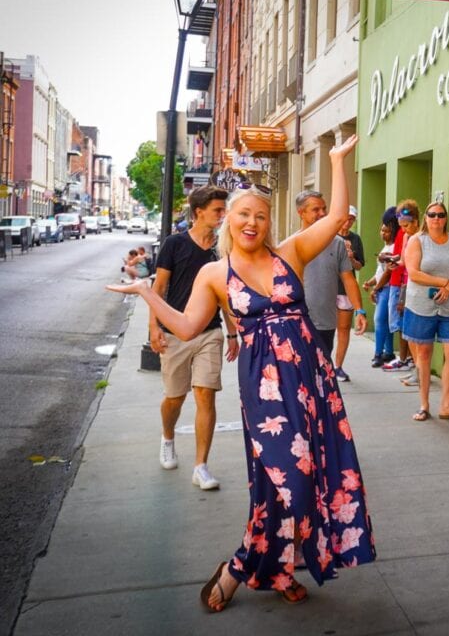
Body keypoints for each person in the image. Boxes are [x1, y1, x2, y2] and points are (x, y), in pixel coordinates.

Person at [109, 134, 375, 612]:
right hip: (265, 387)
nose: (252, 222)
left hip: (312, 381)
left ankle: (277, 569)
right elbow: (189, 326)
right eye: (243, 214)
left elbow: (336, 218)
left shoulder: (288, 254)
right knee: (285, 478)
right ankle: (240, 565)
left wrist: (338, 161)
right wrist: (149, 295)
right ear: (228, 219)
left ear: (269, 222)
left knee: (308, 478)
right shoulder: (216, 273)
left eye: (261, 215)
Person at [149, 185, 238, 491]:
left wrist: (232, 331)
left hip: (210, 332)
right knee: (175, 397)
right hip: (175, 332)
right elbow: (158, 290)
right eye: (217, 210)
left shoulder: (223, 248)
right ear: (199, 212)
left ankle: (201, 466)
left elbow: (226, 293)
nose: (223, 215)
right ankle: (168, 437)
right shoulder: (174, 244)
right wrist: (154, 328)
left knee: (205, 393)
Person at [402, 201, 449, 421]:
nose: (436, 219)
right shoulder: (417, 241)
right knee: (423, 354)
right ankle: (424, 404)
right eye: (432, 215)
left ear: (446, 218)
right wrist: (446, 282)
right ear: (425, 217)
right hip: (421, 305)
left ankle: (447, 405)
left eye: (441, 215)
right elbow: (413, 273)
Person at [293, 189, 367, 379]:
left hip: (325, 322)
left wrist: (359, 310)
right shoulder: (290, 244)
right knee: (300, 376)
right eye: (316, 209)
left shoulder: (338, 244)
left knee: (322, 374)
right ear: (301, 213)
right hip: (296, 321)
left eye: (324, 208)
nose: (322, 213)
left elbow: (348, 279)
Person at [381, 201, 419, 374]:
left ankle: (413, 363)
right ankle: (410, 363)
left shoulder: (421, 236)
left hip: (416, 285)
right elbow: (404, 260)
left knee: (413, 328)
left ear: (416, 221)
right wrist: (392, 260)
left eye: (406, 225)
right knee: (402, 325)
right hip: (405, 283)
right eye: (401, 226)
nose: (404, 229)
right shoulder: (405, 236)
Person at [364, 207, 399, 367]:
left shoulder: (394, 249)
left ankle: (378, 354)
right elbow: (380, 271)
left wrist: (376, 288)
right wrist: (370, 282)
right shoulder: (386, 248)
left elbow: (387, 274)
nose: (383, 233)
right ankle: (389, 351)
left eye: (386, 230)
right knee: (385, 320)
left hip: (387, 288)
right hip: (382, 287)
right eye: (382, 230)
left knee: (379, 320)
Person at [335, 205, 365, 376]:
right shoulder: (329, 236)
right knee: (323, 327)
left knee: (344, 328)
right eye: (346, 217)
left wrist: (351, 257)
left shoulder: (356, 239)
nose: (348, 221)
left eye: (352, 219)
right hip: (329, 287)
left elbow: (359, 266)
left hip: (346, 289)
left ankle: (338, 366)